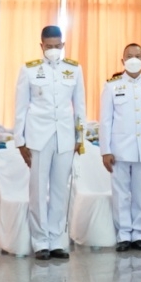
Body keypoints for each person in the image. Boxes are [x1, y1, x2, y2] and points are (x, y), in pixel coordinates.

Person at [13, 24, 84, 260]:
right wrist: (20, 140)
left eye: (57, 46)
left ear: (63, 45)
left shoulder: (73, 70)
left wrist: (79, 137)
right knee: (37, 190)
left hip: (64, 136)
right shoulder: (29, 70)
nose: (53, 50)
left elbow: (79, 107)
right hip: (38, 136)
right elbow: (21, 107)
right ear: (41, 46)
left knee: (59, 191)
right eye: (49, 46)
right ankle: (40, 241)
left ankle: (56, 240)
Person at [99, 42, 141, 252]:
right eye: (130, 56)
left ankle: (139, 234)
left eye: (138, 55)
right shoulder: (112, 86)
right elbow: (105, 121)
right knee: (121, 194)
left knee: (139, 193)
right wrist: (105, 150)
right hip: (119, 150)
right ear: (123, 60)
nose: (134, 59)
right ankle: (124, 234)